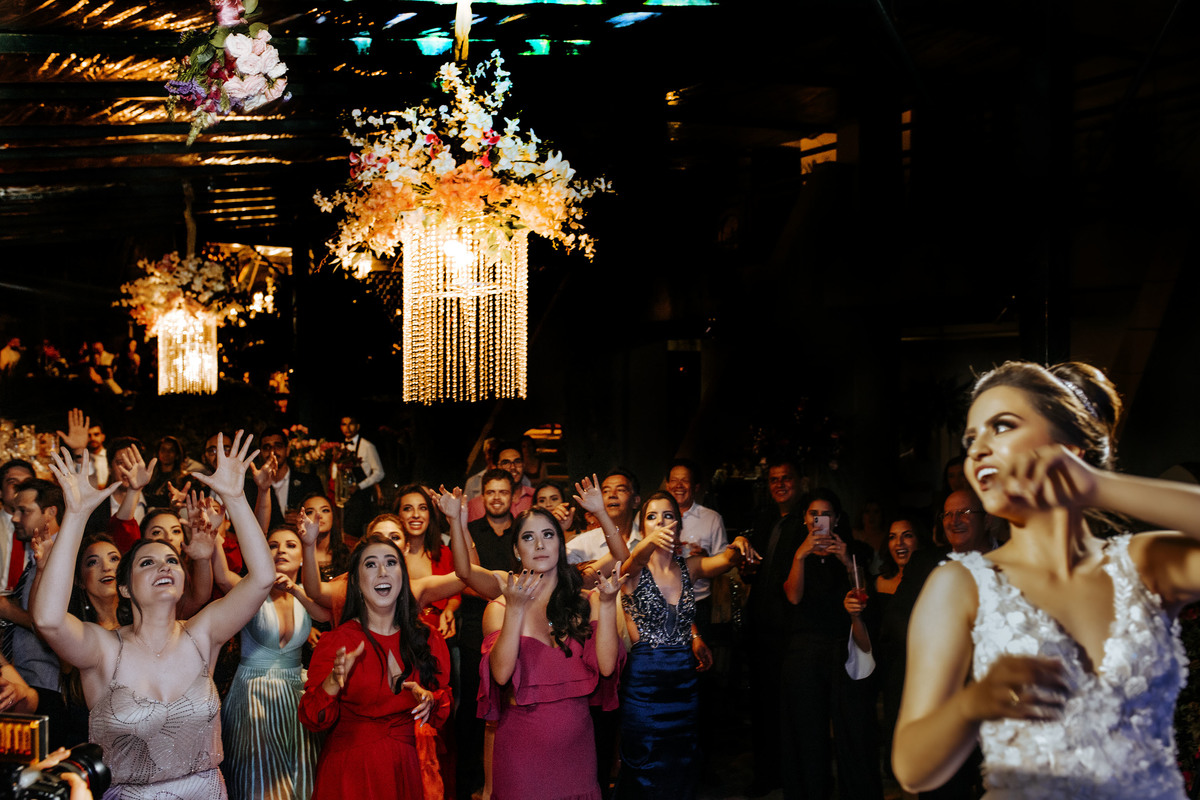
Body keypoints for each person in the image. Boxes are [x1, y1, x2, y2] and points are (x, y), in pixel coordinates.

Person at [893, 360, 1200, 798]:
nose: (977, 449)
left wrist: (1098, 487)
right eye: (971, 438)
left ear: (1069, 447)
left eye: (1001, 426)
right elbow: (910, 768)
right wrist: (972, 704)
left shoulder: (1145, 564)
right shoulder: (962, 584)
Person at [33, 431, 277, 799]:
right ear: (126, 588)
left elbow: (262, 579)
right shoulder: (103, 648)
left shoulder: (202, 634)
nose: (164, 566)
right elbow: (48, 619)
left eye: (172, 560)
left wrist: (236, 497)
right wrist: (77, 515)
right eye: (147, 562)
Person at [441, 482, 626, 800]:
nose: (539, 544)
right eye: (528, 536)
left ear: (561, 543)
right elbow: (499, 675)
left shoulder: (580, 599)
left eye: (548, 535)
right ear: (517, 549)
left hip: (578, 758)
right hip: (522, 758)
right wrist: (455, 522)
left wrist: (599, 513)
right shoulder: (503, 598)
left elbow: (607, 668)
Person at [613, 490, 758, 799]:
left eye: (669, 516)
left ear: (678, 525)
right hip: (645, 682)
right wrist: (647, 544)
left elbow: (723, 561)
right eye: (652, 516)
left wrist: (738, 545)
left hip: (683, 680)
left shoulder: (688, 567)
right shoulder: (634, 568)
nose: (662, 522)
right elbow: (632, 561)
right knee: (644, 762)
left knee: (682, 760)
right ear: (643, 527)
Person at [298, 533, 451, 800]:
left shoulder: (427, 638)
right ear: (356, 582)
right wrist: (331, 684)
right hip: (351, 774)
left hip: (408, 769)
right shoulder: (338, 641)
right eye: (370, 564)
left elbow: (443, 701)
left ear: (402, 576)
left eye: (391, 563)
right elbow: (312, 718)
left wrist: (431, 700)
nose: (382, 571)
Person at [210, 516, 330, 800]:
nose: (281, 551)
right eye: (273, 545)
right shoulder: (253, 591)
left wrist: (296, 590)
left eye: (291, 545)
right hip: (254, 694)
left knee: (304, 780)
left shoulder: (303, 596)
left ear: (302, 556)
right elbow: (223, 577)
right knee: (261, 784)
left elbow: (325, 615)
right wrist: (215, 536)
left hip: (297, 694)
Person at [780, 489, 881, 800]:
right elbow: (793, 597)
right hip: (804, 648)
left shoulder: (854, 552)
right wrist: (801, 555)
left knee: (852, 728)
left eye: (824, 514)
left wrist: (844, 558)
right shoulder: (795, 551)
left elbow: (863, 596)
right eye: (813, 514)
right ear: (805, 519)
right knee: (807, 730)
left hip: (842, 646)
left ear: (835, 519)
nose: (818, 520)